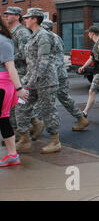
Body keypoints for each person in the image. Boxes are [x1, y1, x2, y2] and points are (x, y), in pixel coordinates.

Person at [20, 8, 61, 154]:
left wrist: (31, 81)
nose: (25, 20)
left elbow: (43, 61)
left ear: (35, 19)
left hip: (46, 81)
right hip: (32, 80)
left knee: (48, 111)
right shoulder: (32, 36)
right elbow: (30, 61)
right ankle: (24, 139)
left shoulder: (43, 35)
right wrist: (27, 80)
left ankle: (55, 141)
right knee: (21, 106)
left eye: (28, 18)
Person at [3, 7, 44, 141]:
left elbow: (26, 53)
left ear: (17, 16)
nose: (6, 16)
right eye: (6, 14)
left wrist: (7, 57)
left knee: (18, 104)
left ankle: (32, 126)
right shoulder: (10, 32)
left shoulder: (22, 33)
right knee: (12, 105)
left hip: (21, 71)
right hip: (11, 71)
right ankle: (17, 132)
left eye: (9, 14)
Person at [41, 20, 89, 131]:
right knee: (64, 97)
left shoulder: (46, 37)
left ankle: (36, 125)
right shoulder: (57, 37)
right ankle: (81, 118)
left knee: (45, 99)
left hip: (53, 73)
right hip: (61, 71)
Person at [0, 16, 29, 166]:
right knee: (3, 120)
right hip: (4, 84)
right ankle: (13, 155)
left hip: (3, 84)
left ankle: (13, 155)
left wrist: (19, 89)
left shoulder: (4, 42)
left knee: (3, 119)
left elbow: (11, 67)